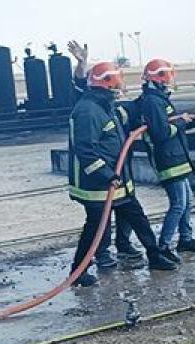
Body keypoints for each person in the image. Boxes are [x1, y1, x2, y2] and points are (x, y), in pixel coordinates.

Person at [67, 60, 177, 287]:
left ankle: (154, 255)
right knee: (96, 230)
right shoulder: (88, 111)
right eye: (118, 83)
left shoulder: (104, 105)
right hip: (98, 186)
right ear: (107, 84)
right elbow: (86, 150)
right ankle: (78, 271)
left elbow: (128, 115)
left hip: (117, 183)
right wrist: (107, 175)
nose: (121, 88)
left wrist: (150, 97)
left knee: (138, 217)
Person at [68, 41, 144, 269]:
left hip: (116, 171)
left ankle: (118, 247)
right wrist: (81, 63)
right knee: (98, 220)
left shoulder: (107, 104)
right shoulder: (87, 105)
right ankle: (95, 257)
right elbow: (86, 150)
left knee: (119, 210)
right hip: (96, 178)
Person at [137, 59, 195, 262]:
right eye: (167, 76)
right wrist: (181, 123)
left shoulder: (160, 98)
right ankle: (163, 246)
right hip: (168, 161)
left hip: (177, 157)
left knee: (188, 201)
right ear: (159, 78)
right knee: (178, 204)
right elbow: (161, 132)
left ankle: (185, 239)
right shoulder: (152, 102)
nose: (169, 81)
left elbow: (174, 125)